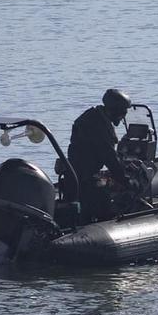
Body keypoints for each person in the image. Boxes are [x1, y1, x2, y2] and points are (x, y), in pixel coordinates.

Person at [66, 89, 131, 219]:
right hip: (85, 178)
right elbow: (110, 158)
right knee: (106, 205)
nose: (123, 116)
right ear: (116, 111)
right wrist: (126, 180)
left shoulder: (91, 116)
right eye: (123, 112)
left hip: (74, 174)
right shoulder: (99, 127)